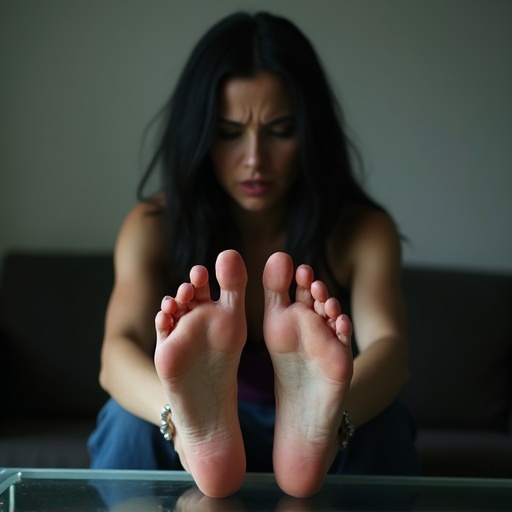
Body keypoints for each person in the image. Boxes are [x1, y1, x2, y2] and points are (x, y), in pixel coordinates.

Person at [88, 11, 420, 499]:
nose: (254, 158)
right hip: (200, 425)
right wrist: (179, 416)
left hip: (318, 423)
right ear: (198, 134)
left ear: (310, 133)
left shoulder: (360, 230)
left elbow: (390, 351)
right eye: (228, 132)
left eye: (280, 130)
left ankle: (309, 425)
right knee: (127, 422)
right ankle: (204, 423)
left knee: (383, 419)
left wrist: (331, 416)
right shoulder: (152, 227)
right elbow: (115, 353)